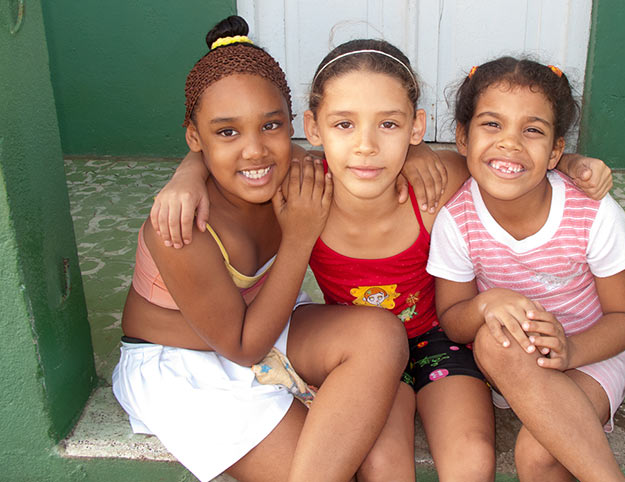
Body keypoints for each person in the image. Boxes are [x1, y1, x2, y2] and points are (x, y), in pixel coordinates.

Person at [154, 39, 614, 481]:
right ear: (314, 128)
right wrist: (186, 174)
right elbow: (243, 155)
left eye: (388, 125)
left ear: (417, 127)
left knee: (473, 461)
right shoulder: (303, 189)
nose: (367, 146)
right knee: (380, 468)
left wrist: (569, 164)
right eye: (344, 125)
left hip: (443, 344)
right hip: (365, 361)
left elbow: (508, 160)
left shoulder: (435, 186)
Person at [111, 16, 409, 482]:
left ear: (295, 125)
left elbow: (366, 156)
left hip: (267, 323)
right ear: (195, 137)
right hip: (182, 363)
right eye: (227, 132)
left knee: (383, 336)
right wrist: (298, 236)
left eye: (271, 125)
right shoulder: (183, 223)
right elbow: (244, 347)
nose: (255, 151)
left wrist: (422, 151)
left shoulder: (293, 175)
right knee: (317, 466)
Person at [427, 57, 625, 482]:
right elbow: (453, 321)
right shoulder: (458, 219)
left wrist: (572, 351)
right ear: (462, 139)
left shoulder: (592, 213)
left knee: (538, 456)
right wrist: (486, 303)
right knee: (491, 337)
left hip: (592, 354)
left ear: (556, 152)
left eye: (532, 130)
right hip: (512, 363)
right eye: (492, 124)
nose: (510, 143)